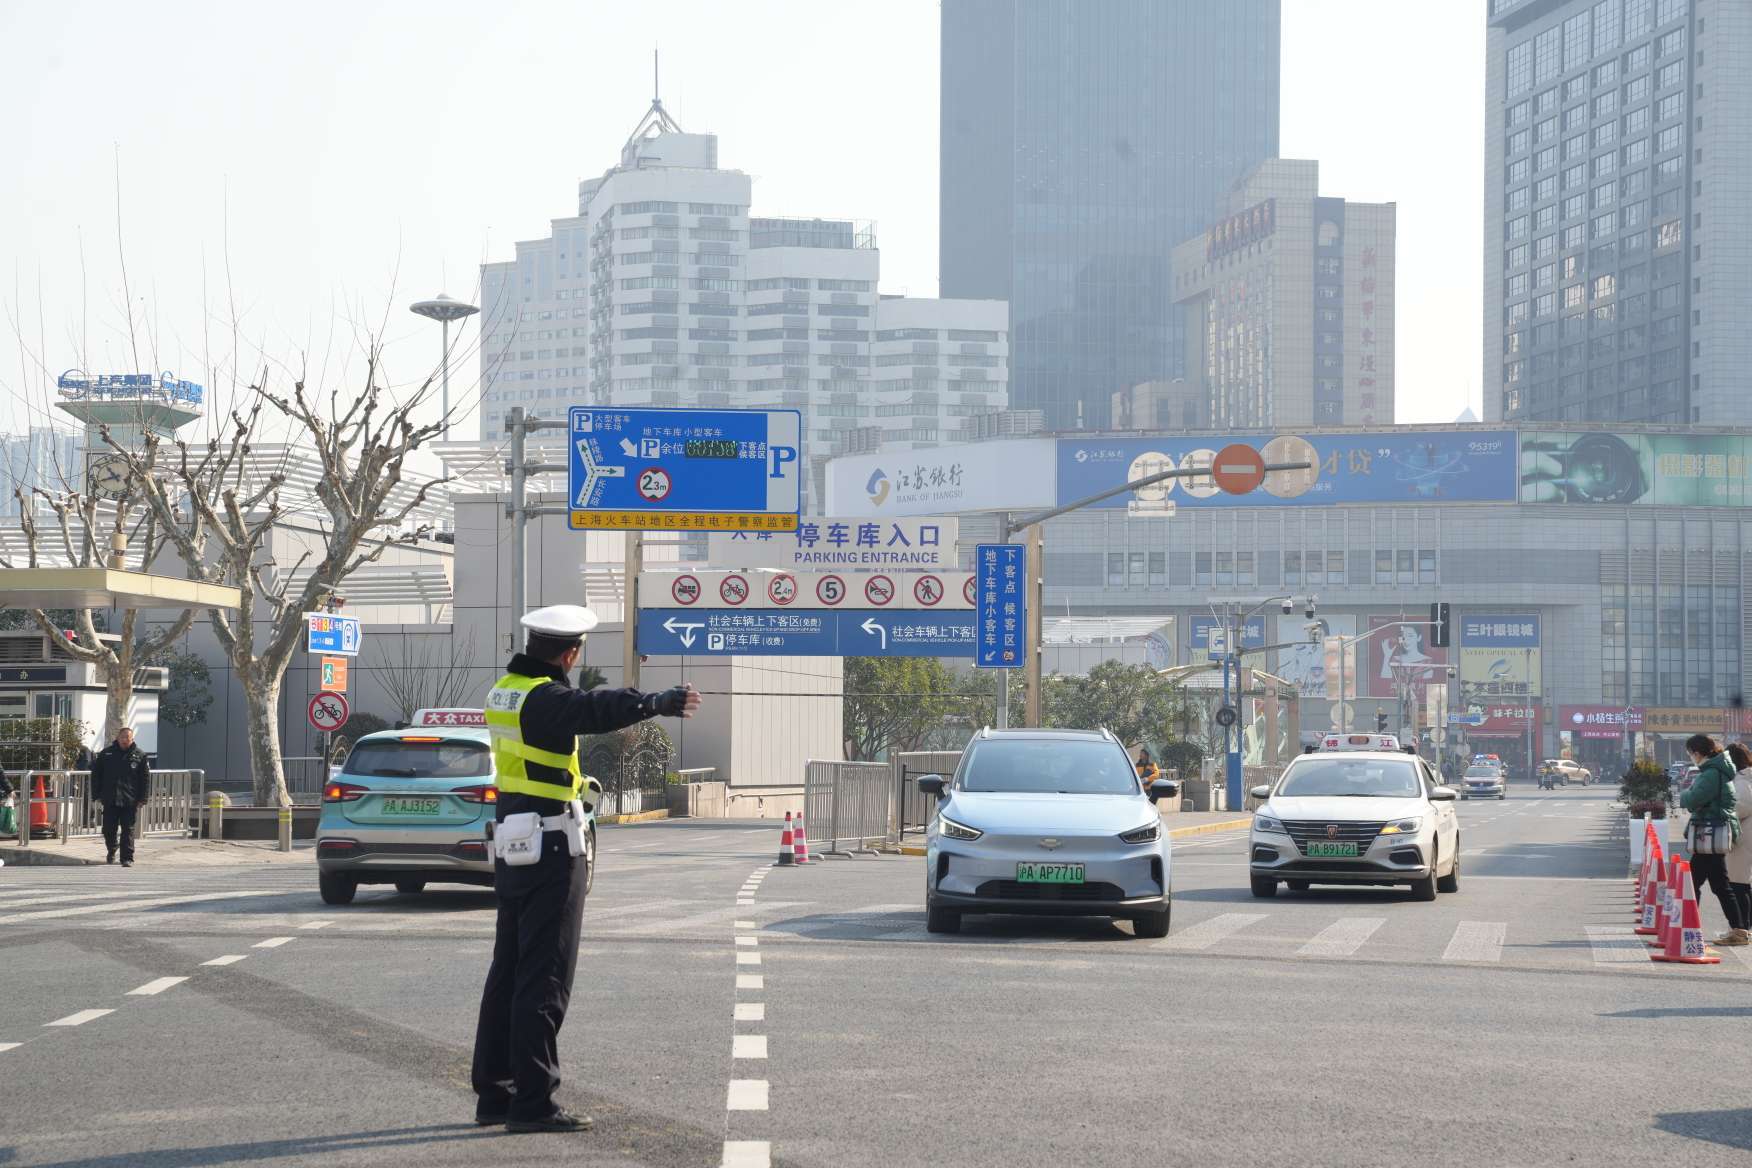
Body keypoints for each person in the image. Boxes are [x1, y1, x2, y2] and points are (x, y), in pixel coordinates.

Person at [471, 604, 701, 1134]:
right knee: (545, 974)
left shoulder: (504, 690)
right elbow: (592, 709)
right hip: (551, 846)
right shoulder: (547, 698)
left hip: (513, 839)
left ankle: (496, 1093)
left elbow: (577, 708)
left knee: (507, 971)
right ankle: (533, 1103)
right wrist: (653, 702)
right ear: (570, 653)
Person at [1679, 733, 1742, 945]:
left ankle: (1688, 928)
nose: (1690, 757)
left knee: (1696, 881)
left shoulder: (1711, 773)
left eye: (1690, 753)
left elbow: (1694, 798)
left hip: (1709, 832)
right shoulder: (1717, 770)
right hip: (1712, 833)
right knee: (1717, 884)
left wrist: (1684, 795)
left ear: (1697, 752)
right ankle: (1738, 929)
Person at [91, 727, 151, 866]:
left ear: (132, 739)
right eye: (122, 737)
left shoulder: (140, 755)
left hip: (129, 799)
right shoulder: (106, 754)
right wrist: (96, 794)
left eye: (128, 738)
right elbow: (96, 775)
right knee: (108, 829)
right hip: (110, 798)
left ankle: (127, 858)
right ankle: (112, 848)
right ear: (118, 738)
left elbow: (145, 779)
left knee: (128, 829)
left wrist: (143, 798)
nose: (125, 740)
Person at [1719, 743, 1752, 947]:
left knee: (1738, 884)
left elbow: (1742, 806)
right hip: (1744, 837)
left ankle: (1741, 930)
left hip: (1743, 838)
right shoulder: (1743, 778)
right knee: (1741, 883)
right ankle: (1742, 929)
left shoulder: (1742, 781)